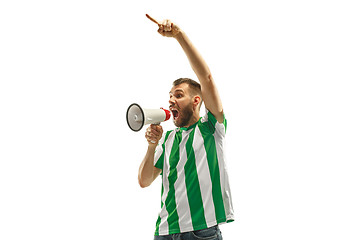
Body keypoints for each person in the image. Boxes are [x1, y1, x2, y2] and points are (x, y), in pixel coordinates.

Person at [138, 15, 234, 240]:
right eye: (170, 96)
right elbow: (144, 181)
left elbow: (206, 77)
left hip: (201, 232)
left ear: (197, 100)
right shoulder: (168, 139)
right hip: (164, 232)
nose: (171, 100)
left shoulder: (211, 128)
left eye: (178, 95)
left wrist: (179, 36)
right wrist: (152, 145)